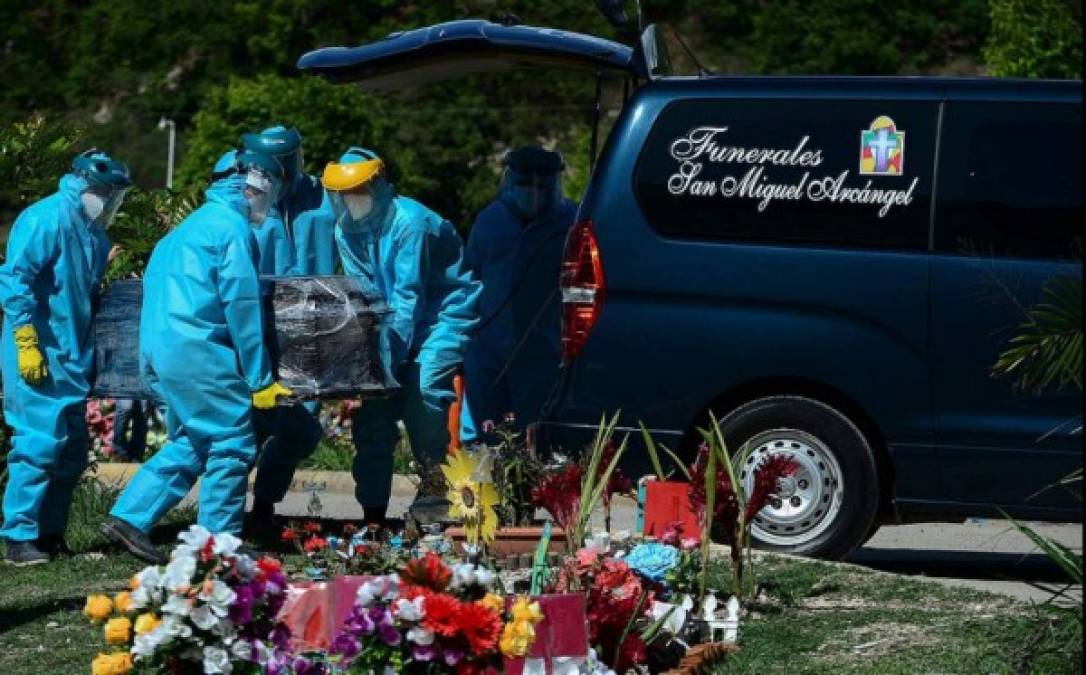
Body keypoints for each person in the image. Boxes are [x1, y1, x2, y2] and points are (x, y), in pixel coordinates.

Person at [101, 151, 294, 564]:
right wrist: (260, 379)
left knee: (194, 438)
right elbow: (241, 305)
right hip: (199, 349)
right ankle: (216, 546)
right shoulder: (231, 228)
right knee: (231, 442)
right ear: (254, 185)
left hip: (162, 349)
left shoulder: (180, 233)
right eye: (270, 189)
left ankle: (129, 517)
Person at [321, 147, 480, 526]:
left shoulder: (410, 222)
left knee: (424, 393)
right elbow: (362, 292)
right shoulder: (346, 227)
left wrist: (388, 360)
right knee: (374, 413)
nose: (350, 200)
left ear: (378, 184)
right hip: (391, 322)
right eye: (343, 192)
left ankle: (433, 494)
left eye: (358, 190)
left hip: (440, 316)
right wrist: (370, 358)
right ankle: (372, 514)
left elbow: (410, 296)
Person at [0, 150, 131, 565]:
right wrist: (24, 338)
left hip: (71, 355)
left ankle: (51, 532)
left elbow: (82, 297)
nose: (110, 202)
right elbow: (14, 279)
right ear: (85, 184)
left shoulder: (94, 234)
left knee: (71, 451)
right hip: (38, 351)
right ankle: (19, 537)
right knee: (38, 446)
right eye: (107, 193)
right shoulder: (44, 219)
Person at [238, 127, 332, 533]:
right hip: (255, 330)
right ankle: (224, 517)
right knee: (248, 425)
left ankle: (263, 507)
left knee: (301, 428)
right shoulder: (245, 197)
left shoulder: (322, 199)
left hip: (309, 333)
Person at [460, 145, 576, 443]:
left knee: (535, 437)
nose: (533, 193)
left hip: (544, 353)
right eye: (525, 185)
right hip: (488, 351)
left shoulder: (571, 223)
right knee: (488, 436)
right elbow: (468, 280)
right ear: (511, 182)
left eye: (542, 186)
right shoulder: (490, 221)